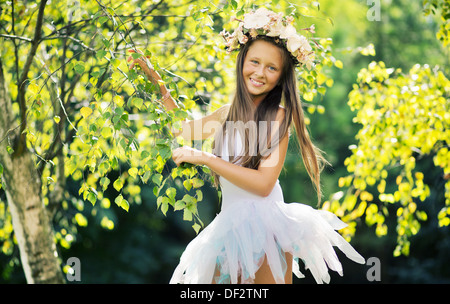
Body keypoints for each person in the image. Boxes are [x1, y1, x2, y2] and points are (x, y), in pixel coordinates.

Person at [128, 8, 365, 284]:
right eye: (254, 61)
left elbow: (264, 184)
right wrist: (154, 78)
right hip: (227, 227)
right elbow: (181, 129)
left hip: (266, 226)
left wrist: (205, 158)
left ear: (281, 76)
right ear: (242, 61)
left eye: (271, 67)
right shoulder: (226, 114)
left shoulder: (278, 117)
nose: (260, 72)